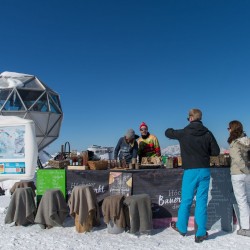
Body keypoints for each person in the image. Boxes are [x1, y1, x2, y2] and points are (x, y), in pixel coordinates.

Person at [165, 108, 220, 243]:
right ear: (200, 118)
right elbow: (216, 151)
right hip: (204, 170)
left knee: (186, 200)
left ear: (190, 118)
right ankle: (200, 233)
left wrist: (170, 129)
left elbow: (168, 132)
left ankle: (182, 228)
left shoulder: (184, 132)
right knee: (201, 201)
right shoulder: (207, 133)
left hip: (190, 171)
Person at [227, 120, 250, 237]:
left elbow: (237, 159)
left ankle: (246, 228)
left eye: (228, 128)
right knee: (248, 200)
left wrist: (245, 170)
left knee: (242, 201)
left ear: (233, 129)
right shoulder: (247, 140)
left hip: (238, 174)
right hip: (248, 175)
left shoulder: (234, 143)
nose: (228, 130)